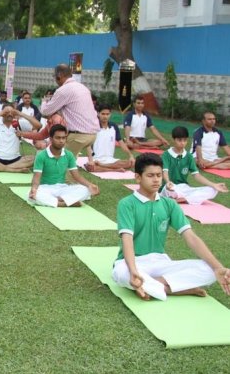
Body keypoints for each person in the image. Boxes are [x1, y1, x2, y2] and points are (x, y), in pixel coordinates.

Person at [111, 153, 230, 301]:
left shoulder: (169, 204)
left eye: (159, 175)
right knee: (122, 273)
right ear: (138, 177)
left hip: (161, 261)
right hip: (132, 262)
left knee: (209, 270)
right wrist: (134, 270)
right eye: (150, 175)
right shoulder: (127, 204)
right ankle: (174, 288)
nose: (156, 180)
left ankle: (155, 287)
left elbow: (191, 237)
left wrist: (218, 267)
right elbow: (127, 240)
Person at [28, 124, 99, 207]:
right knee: (33, 196)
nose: (61, 141)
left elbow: (77, 176)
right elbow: (36, 177)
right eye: (58, 138)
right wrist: (34, 189)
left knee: (85, 190)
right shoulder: (41, 155)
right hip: (45, 188)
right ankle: (63, 203)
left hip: (62, 188)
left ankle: (58, 200)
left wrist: (90, 185)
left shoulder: (69, 155)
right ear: (51, 139)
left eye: (63, 138)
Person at [40, 64, 99, 157]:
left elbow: (45, 112)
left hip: (78, 136)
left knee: (59, 161)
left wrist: (44, 101)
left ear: (59, 76)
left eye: (55, 77)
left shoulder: (63, 90)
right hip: (92, 135)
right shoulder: (83, 87)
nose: (55, 79)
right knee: (70, 163)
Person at [160, 126, 227, 205]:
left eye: (185, 140)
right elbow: (165, 171)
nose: (182, 143)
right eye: (179, 140)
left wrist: (214, 185)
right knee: (171, 190)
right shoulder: (166, 154)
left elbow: (196, 175)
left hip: (184, 188)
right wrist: (168, 182)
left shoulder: (189, 156)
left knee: (212, 190)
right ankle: (184, 198)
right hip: (169, 187)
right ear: (173, 139)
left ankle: (181, 199)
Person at [0, 103, 38, 172]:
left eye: (12, 112)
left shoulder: (19, 123)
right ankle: (13, 170)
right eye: (7, 112)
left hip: (15, 159)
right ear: (2, 113)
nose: (9, 114)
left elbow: (38, 125)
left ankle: (2, 168)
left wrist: (20, 113)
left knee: (35, 159)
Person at [84, 104, 135, 172]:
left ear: (110, 114)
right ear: (98, 114)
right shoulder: (93, 126)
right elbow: (88, 145)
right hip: (96, 159)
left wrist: (130, 155)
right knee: (90, 167)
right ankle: (115, 170)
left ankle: (102, 166)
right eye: (103, 114)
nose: (105, 116)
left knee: (131, 163)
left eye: (107, 114)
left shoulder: (114, 127)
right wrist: (90, 160)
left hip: (111, 160)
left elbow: (121, 143)